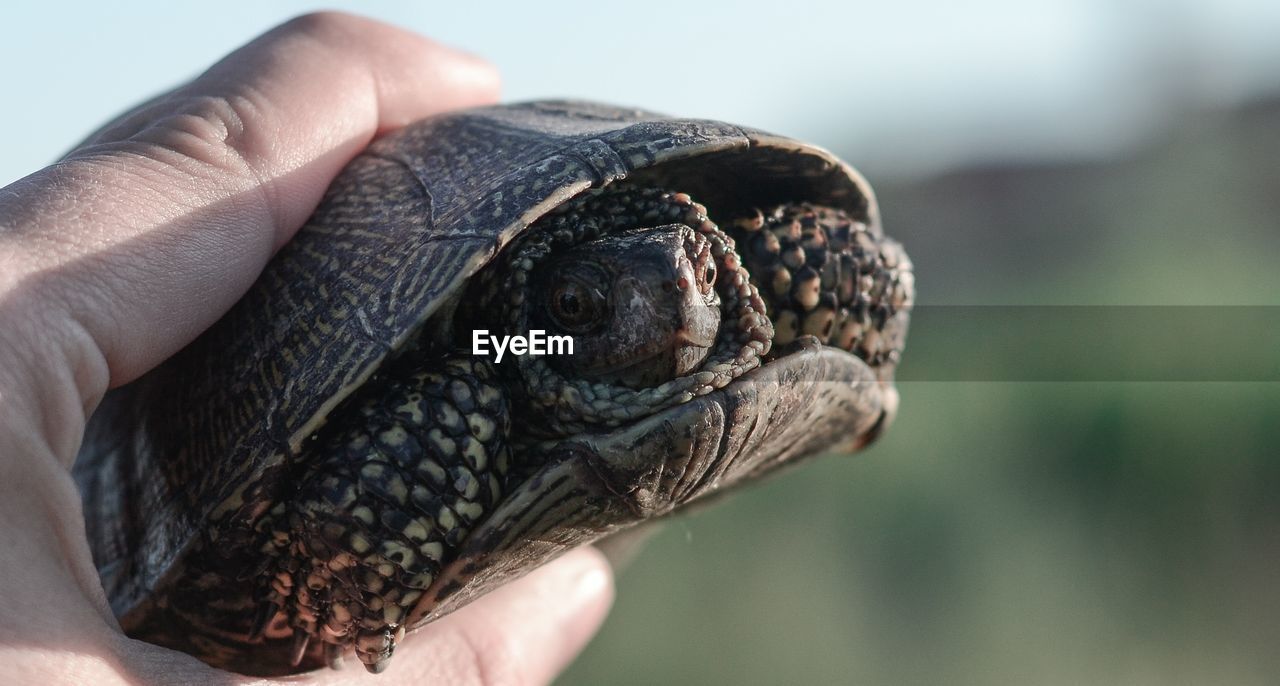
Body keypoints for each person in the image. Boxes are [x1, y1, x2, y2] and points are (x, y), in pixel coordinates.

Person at [0, 12, 613, 685]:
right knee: (467, 383)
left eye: (703, 277)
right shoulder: (490, 355)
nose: (679, 309)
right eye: (583, 304)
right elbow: (488, 350)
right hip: (174, 523)